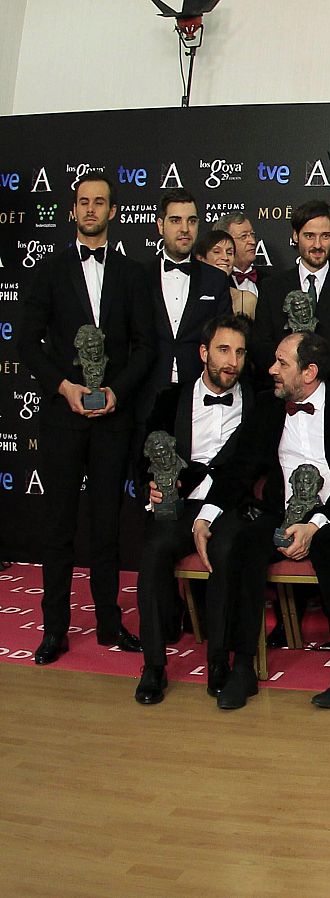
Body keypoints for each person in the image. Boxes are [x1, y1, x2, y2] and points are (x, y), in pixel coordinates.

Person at [17, 172, 153, 665]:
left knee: (106, 527)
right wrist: (64, 386)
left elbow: (145, 346)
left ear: (114, 211)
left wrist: (117, 390)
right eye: (83, 202)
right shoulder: (50, 270)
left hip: (113, 419)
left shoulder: (132, 273)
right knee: (57, 526)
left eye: (99, 202)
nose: (91, 209)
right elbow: (26, 341)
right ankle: (53, 630)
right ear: (73, 211)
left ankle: (110, 623)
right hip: (61, 418)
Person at [201, 332, 330, 710]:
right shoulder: (267, 406)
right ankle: (243, 665)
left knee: (329, 546)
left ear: (309, 372)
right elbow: (240, 468)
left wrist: (316, 524)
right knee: (245, 542)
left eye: (282, 363)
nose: (271, 370)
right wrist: (206, 514)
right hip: (282, 513)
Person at [134, 314, 258, 704]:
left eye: (239, 352)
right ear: (204, 352)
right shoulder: (172, 398)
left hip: (230, 505)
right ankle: (153, 665)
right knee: (153, 551)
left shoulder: (259, 402)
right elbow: (145, 452)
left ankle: (219, 660)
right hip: (181, 502)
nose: (231, 361)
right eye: (223, 349)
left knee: (223, 553)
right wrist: (151, 485)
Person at [251, 200, 330, 391]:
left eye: (325, 236)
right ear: (295, 236)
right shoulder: (272, 287)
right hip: (281, 397)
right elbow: (260, 347)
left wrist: (314, 365)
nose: (317, 245)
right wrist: (291, 370)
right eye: (309, 236)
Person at [142, 188, 232, 420]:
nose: (184, 229)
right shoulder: (137, 277)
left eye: (191, 221)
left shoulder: (216, 280)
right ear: (160, 225)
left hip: (199, 396)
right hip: (145, 393)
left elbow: (224, 338)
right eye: (175, 220)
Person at [196, 230, 254, 318]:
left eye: (229, 253)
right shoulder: (186, 293)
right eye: (216, 252)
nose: (225, 257)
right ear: (200, 258)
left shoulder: (247, 299)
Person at [215, 212, 268, 299]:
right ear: (224, 242)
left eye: (252, 235)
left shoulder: (268, 281)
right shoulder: (216, 282)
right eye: (244, 236)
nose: (253, 242)